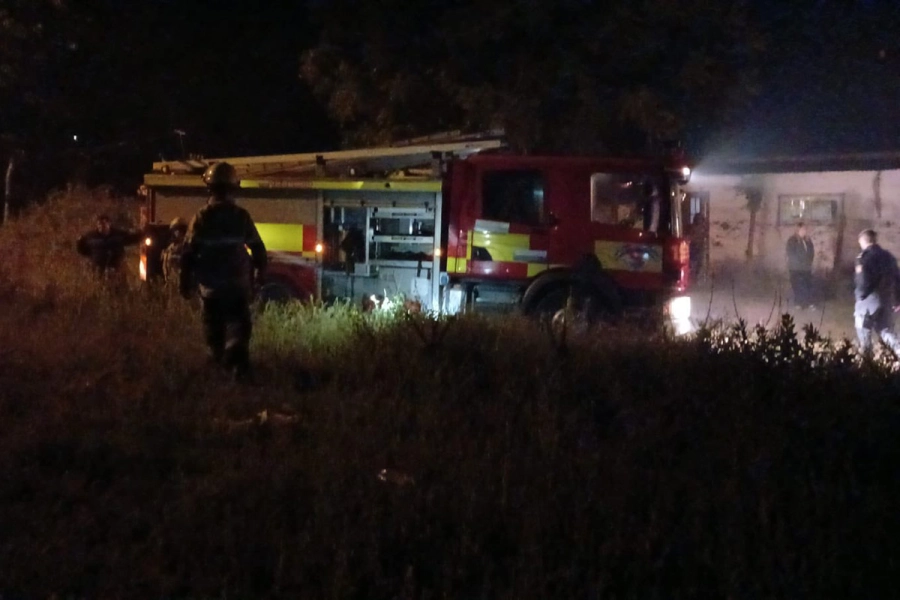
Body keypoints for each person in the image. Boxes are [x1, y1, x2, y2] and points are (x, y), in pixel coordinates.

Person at [180, 162, 268, 382]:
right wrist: (260, 273)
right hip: (237, 286)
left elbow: (188, 253)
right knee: (240, 325)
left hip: (210, 288)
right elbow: (258, 248)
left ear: (209, 187)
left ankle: (218, 365)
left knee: (213, 327)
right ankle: (237, 364)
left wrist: (185, 282)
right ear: (233, 186)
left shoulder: (201, 217)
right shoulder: (241, 216)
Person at [853, 229, 900, 355]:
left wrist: (860, 296)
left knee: (862, 327)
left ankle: (867, 360)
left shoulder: (863, 258)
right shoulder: (889, 257)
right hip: (886, 300)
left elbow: (862, 280)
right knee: (886, 330)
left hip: (869, 300)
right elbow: (897, 278)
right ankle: (899, 350)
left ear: (863, 241)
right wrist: (897, 300)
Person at [76, 213, 143, 280]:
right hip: (98, 269)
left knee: (118, 286)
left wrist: (142, 233)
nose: (102, 226)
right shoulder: (91, 237)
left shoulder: (118, 235)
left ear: (109, 224)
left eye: (104, 224)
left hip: (116, 268)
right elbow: (82, 249)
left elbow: (132, 239)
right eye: (99, 224)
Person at [785, 222, 815, 309]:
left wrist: (809, 262)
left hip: (806, 268)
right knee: (798, 285)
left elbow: (811, 252)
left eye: (805, 230)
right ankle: (798, 303)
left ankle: (808, 302)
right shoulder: (792, 241)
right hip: (796, 268)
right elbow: (790, 253)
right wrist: (798, 262)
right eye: (802, 230)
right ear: (798, 230)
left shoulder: (808, 241)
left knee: (807, 285)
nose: (804, 231)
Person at [161, 217, 189, 289]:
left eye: (180, 230)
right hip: (170, 282)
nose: (178, 233)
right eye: (176, 230)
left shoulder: (186, 246)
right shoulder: (171, 247)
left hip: (180, 283)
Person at [688, 212, 707, 279]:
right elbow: (690, 237)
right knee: (693, 263)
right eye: (699, 219)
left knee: (699, 263)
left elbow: (704, 236)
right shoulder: (693, 227)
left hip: (699, 247)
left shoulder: (703, 228)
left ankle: (695, 276)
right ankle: (692, 276)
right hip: (693, 247)